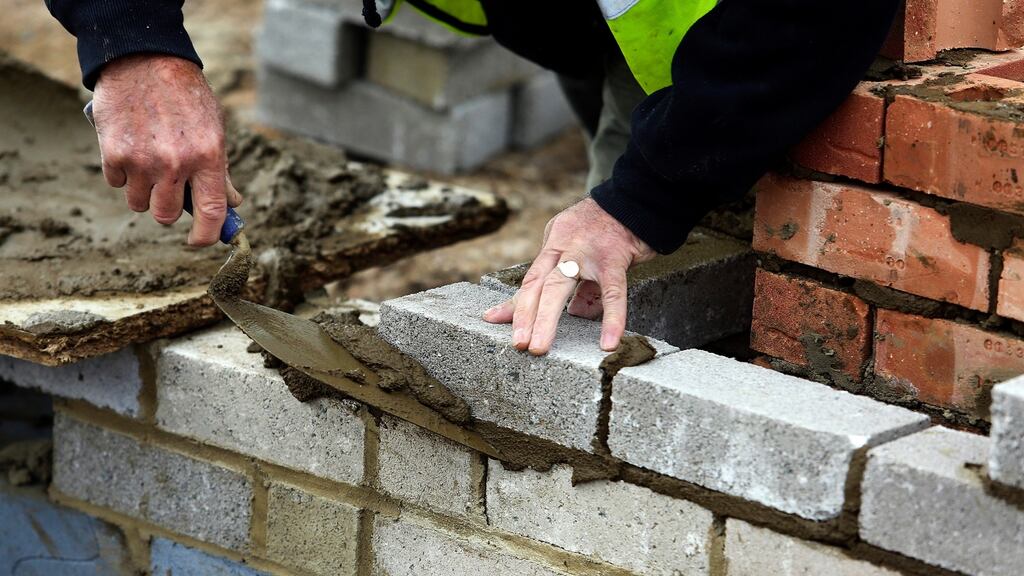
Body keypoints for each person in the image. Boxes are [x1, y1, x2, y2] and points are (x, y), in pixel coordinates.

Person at [46, 0, 899, 355]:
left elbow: (813, 16)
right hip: (582, 19)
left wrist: (643, 200)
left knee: (681, 262)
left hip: (746, 35)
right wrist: (133, 44)